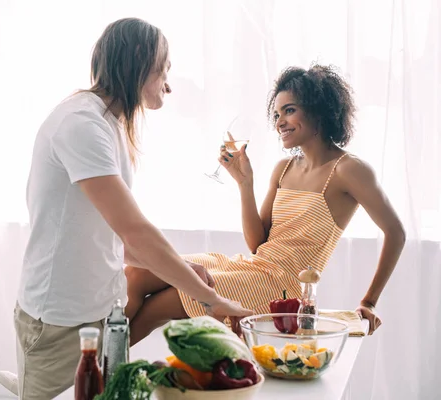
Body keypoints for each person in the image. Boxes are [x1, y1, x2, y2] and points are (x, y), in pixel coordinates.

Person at [10, 17, 253, 399]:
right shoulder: (81, 124)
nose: (168, 85)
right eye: (163, 70)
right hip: (59, 321)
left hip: (100, 309)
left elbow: (118, 238)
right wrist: (211, 299)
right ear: (138, 64)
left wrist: (183, 272)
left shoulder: (110, 125)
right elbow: (134, 232)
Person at [125, 64, 406, 345]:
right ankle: (95, 365)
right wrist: (245, 184)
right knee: (138, 272)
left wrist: (369, 301)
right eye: (276, 114)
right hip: (254, 268)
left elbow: (396, 232)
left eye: (289, 110)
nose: (279, 121)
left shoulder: (348, 170)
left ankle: (103, 375)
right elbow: (258, 244)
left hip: (282, 287)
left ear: (318, 110)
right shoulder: (283, 168)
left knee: (161, 305)